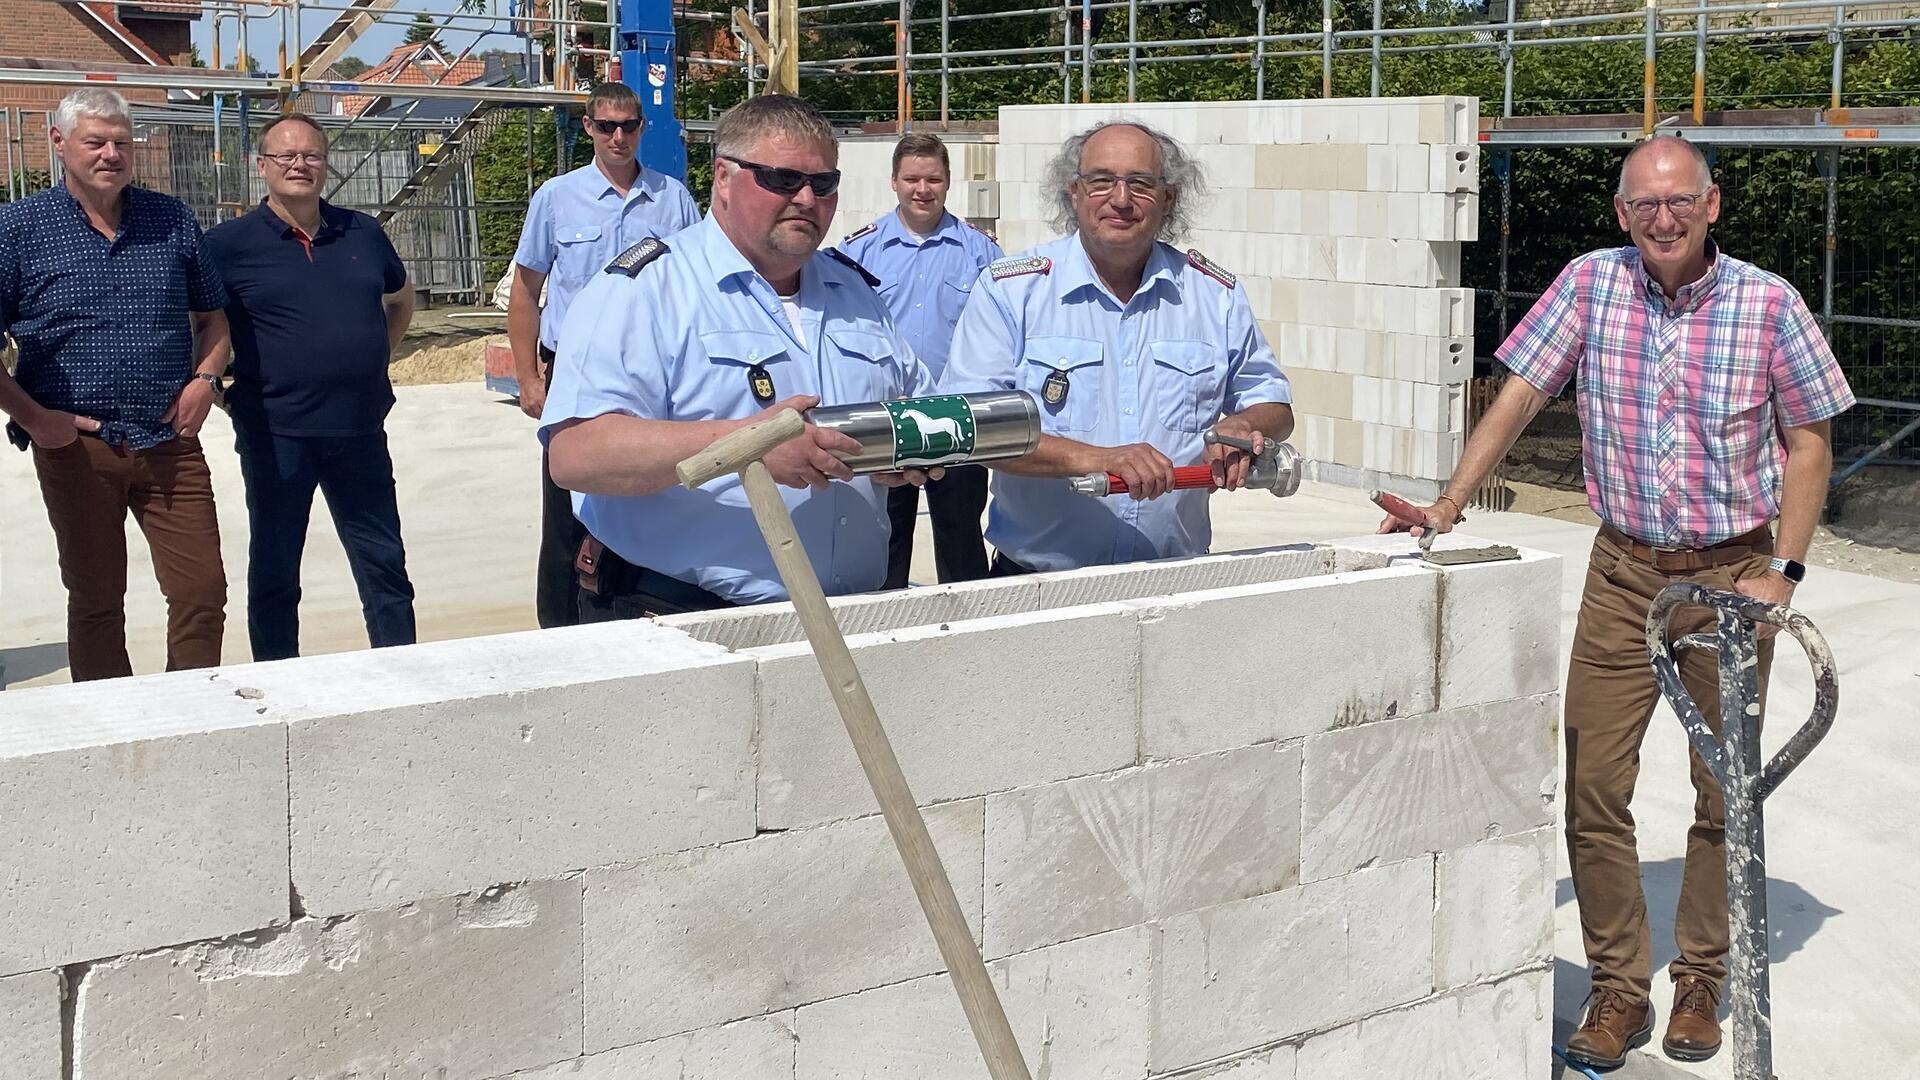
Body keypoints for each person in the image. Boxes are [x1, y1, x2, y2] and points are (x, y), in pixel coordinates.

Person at [1379, 136, 1853, 1070]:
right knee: (1596, 782)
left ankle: (1702, 979)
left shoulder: (1768, 303)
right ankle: (1619, 987)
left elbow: (1809, 441)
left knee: (1725, 791)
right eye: (1645, 205)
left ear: (1713, 205)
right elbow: (1518, 395)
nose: (1663, 220)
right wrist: (1449, 500)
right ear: (1621, 211)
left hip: (1731, 578)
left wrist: (1784, 572)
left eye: (1680, 202)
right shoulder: (1593, 284)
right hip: (1624, 573)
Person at [540, 95, 935, 619]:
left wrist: (905, 450)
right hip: (683, 619)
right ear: (723, 178)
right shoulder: (645, 290)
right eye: (781, 179)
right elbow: (577, 454)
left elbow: (913, 402)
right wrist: (748, 445)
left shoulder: (857, 294)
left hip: (850, 616)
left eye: (824, 184)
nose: (805, 198)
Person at [938, 120, 1294, 574]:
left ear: (1168, 199)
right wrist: (1101, 461)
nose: (1121, 200)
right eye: (1102, 181)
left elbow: (1275, 404)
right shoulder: (1011, 291)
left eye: (1141, 184)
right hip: (1039, 588)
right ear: (1074, 192)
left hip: (1175, 579)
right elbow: (971, 430)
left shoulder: (1214, 296)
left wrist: (1245, 424)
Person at [0, 87, 231, 680]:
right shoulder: (18, 228)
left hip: (169, 441)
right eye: (95, 141)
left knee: (202, 590)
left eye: (122, 142)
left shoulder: (170, 217)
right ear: (59, 144)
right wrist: (34, 418)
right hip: (76, 447)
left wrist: (206, 379)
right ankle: (116, 735)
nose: (111, 153)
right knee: (98, 600)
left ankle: (193, 718)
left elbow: (214, 316)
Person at [204, 113, 418, 661]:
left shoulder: (363, 233)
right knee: (276, 571)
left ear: (326, 164)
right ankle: (280, 686)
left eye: (312, 155)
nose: (300, 164)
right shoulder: (228, 246)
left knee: (384, 566)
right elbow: (201, 324)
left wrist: (374, 357)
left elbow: (399, 301)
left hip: (359, 429)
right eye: (285, 156)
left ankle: (403, 676)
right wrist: (212, 383)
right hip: (277, 434)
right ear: (262, 167)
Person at [509, 81, 701, 629]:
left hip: (650, 373)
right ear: (588, 128)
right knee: (565, 511)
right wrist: (527, 377)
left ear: (644, 129)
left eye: (629, 126)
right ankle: (559, 636)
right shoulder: (556, 197)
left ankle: (625, 618)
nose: (618, 136)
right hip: (572, 370)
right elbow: (526, 292)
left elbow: (692, 287)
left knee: (641, 500)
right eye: (606, 126)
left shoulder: (673, 199)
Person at [836, 133, 1002, 586]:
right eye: (912, 178)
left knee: (962, 537)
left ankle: (972, 631)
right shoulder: (859, 252)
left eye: (933, 179)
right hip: (888, 416)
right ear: (893, 181)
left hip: (958, 414)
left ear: (949, 183)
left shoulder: (980, 251)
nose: (922, 189)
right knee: (884, 539)